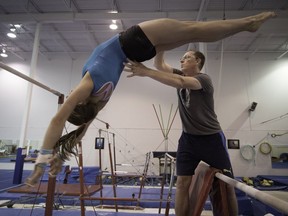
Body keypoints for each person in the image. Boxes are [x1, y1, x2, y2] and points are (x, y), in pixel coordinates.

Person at [25, 12, 275, 186]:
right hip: (131, 40)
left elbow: (81, 129)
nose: (69, 95)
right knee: (194, 28)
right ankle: (248, 22)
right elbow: (58, 119)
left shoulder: (99, 101)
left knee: (194, 30)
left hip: (139, 50)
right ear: (78, 102)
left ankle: (246, 24)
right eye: (71, 98)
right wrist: (42, 160)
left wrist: (57, 157)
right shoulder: (87, 85)